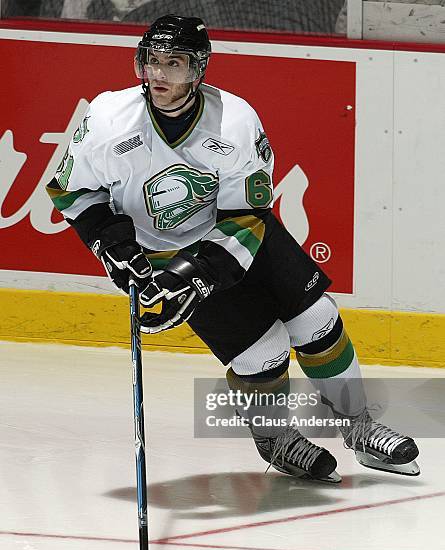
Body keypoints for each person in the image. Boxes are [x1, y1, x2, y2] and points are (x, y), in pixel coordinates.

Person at [46, 14, 420, 482]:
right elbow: (71, 190)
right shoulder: (106, 117)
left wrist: (200, 273)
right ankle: (276, 440)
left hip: (242, 237)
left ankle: (359, 427)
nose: (159, 75)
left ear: (199, 69)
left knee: (317, 319)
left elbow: (246, 215)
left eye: (174, 64)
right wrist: (109, 241)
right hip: (165, 257)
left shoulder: (235, 121)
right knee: (261, 354)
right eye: (151, 62)